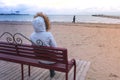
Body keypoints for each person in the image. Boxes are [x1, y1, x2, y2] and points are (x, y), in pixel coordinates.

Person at [30, 12, 57, 78]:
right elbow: (55, 48)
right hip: (50, 60)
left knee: (46, 53)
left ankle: (52, 71)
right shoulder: (48, 35)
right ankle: (52, 71)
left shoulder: (32, 35)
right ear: (44, 24)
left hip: (39, 58)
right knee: (51, 53)